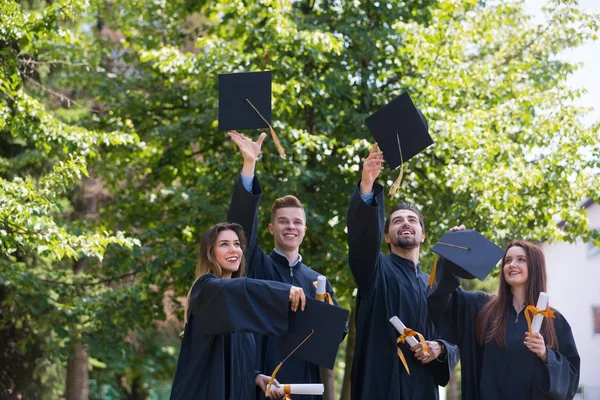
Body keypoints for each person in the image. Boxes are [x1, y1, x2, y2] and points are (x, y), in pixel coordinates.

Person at [226, 131, 342, 400]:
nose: (291, 226)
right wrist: (249, 165)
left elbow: (333, 339)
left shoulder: (318, 282)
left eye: (297, 222)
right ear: (270, 228)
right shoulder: (257, 266)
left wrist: (331, 320)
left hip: (306, 387)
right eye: (283, 221)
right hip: (261, 383)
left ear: (304, 230)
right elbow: (241, 228)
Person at [347, 144, 459, 400]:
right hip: (380, 385)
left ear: (423, 234)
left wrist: (439, 348)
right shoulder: (375, 270)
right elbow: (362, 243)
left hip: (421, 388)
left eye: (412, 220)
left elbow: (453, 335)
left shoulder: (435, 285)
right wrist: (366, 186)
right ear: (386, 236)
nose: (405, 223)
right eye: (397, 220)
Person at [428, 238, 581, 400]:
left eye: (521, 259)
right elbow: (442, 299)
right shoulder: (481, 308)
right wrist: (454, 246)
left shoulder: (552, 320)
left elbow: (570, 378)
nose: (512, 264)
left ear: (535, 267)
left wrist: (545, 354)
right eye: (508, 260)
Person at [169, 222, 307, 400]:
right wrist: (283, 291)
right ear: (210, 253)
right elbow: (238, 289)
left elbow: (229, 361)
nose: (234, 249)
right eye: (224, 244)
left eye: (237, 244)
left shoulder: (239, 306)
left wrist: (255, 377)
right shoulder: (206, 290)